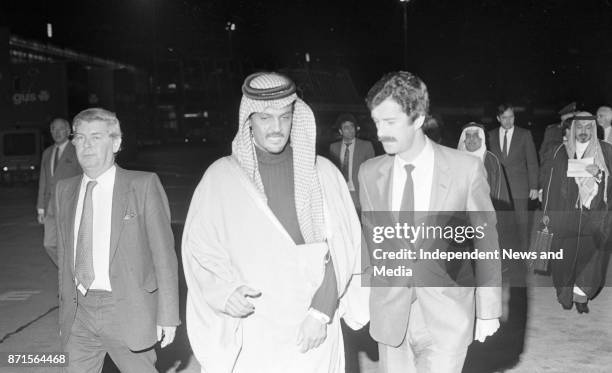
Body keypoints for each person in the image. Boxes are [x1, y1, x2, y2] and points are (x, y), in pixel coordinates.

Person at [181, 72, 368, 373]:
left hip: (310, 324)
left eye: (285, 117)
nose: (276, 128)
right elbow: (200, 249)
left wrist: (321, 313)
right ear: (248, 120)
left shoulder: (322, 173)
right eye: (265, 118)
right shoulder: (222, 177)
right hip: (253, 325)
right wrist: (225, 292)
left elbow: (342, 248)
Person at [359, 71, 501, 373]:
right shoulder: (369, 173)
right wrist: (363, 294)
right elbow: (371, 240)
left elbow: (486, 241)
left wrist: (488, 309)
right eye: (376, 122)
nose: (381, 132)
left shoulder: (465, 170)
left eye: (391, 122)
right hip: (391, 314)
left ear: (419, 118)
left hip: (447, 313)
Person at [46, 108, 180, 372]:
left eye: (96, 137)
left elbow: (164, 256)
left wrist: (168, 315)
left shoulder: (142, 185)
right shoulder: (65, 190)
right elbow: (63, 252)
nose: (86, 145)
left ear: (116, 142)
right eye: (80, 137)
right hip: (79, 314)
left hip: (126, 309)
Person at [543, 112, 612, 314]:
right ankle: (564, 293)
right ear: (573, 129)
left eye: (588, 127)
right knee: (564, 259)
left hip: (595, 214)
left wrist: (599, 174)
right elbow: (551, 185)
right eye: (579, 127)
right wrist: (547, 215)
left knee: (591, 258)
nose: (583, 132)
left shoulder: (607, 151)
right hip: (567, 214)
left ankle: (581, 295)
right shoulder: (561, 151)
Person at [488, 103, 539, 250]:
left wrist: (534, 186)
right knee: (500, 225)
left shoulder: (524, 134)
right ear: (498, 118)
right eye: (504, 118)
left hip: (520, 189)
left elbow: (532, 163)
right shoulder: (490, 136)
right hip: (497, 191)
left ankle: (521, 256)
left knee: (521, 226)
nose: (508, 121)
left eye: (511, 117)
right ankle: (502, 258)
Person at [37, 118, 81, 265]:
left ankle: (72, 276)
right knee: (49, 244)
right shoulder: (47, 153)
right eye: (53, 129)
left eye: (61, 128)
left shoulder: (77, 150)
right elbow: (44, 180)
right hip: (50, 206)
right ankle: (68, 271)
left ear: (69, 131)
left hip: (71, 203)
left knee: (69, 244)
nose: (57, 132)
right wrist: (41, 209)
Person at [457, 122, 511, 209]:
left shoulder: (491, 160)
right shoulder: (455, 159)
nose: (471, 139)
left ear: (481, 139)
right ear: (464, 139)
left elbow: (500, 192)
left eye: (475, 135)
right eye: (468, 136)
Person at [328, 113, 375, 211]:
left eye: (352, 126)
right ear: (340, 131)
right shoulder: (333, 147)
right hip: (340, 192)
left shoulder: (366, 146)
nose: (350, 130)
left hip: (358, 192)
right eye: (346, 127)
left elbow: (372, 172)